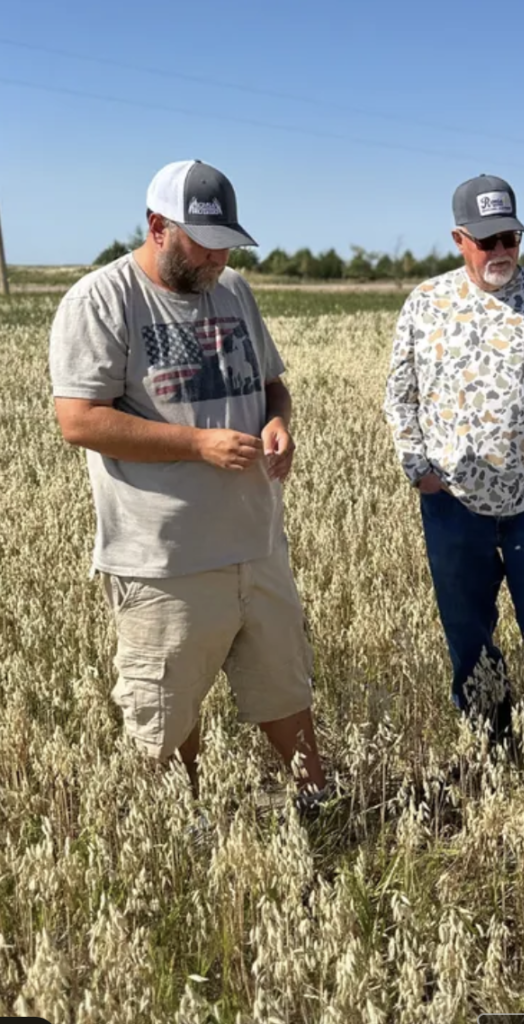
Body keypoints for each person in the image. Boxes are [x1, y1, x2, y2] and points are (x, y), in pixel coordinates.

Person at [49, 159, 327, 803]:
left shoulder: (234, 292)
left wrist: (278, 423)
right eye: (204, 244)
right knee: (168, 710)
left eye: (227, 245)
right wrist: (198, 444)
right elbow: (79, 420)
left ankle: (319, 803)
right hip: (163, 557)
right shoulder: (101, 300)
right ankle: (188, 825)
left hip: (257, 542)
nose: (217, 259)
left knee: (286, 687)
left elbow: (272, 385)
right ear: (157, 227)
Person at [384, 174, 524, 735]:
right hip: (453, 507)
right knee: (468, 637)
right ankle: (489, 745)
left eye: (511, 238)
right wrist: (420, 472)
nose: (502, 251)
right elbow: (400, 397)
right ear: (459, 239)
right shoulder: (426, 304)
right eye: (488, 241)